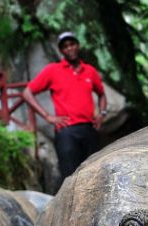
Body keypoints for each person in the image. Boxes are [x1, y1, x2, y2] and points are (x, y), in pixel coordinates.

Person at [22, 31, 108, 179]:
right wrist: (48, 117)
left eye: (72, 44)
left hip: (89, 128)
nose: (69, 48)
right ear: (61, 51)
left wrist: (102, 113)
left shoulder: (90, 71)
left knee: (94, 176)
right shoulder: (52, 70)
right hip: (66, 131)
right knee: (70, 177)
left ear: (78, 45)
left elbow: (101, 94)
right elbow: (27, 93)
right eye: (65, 46)